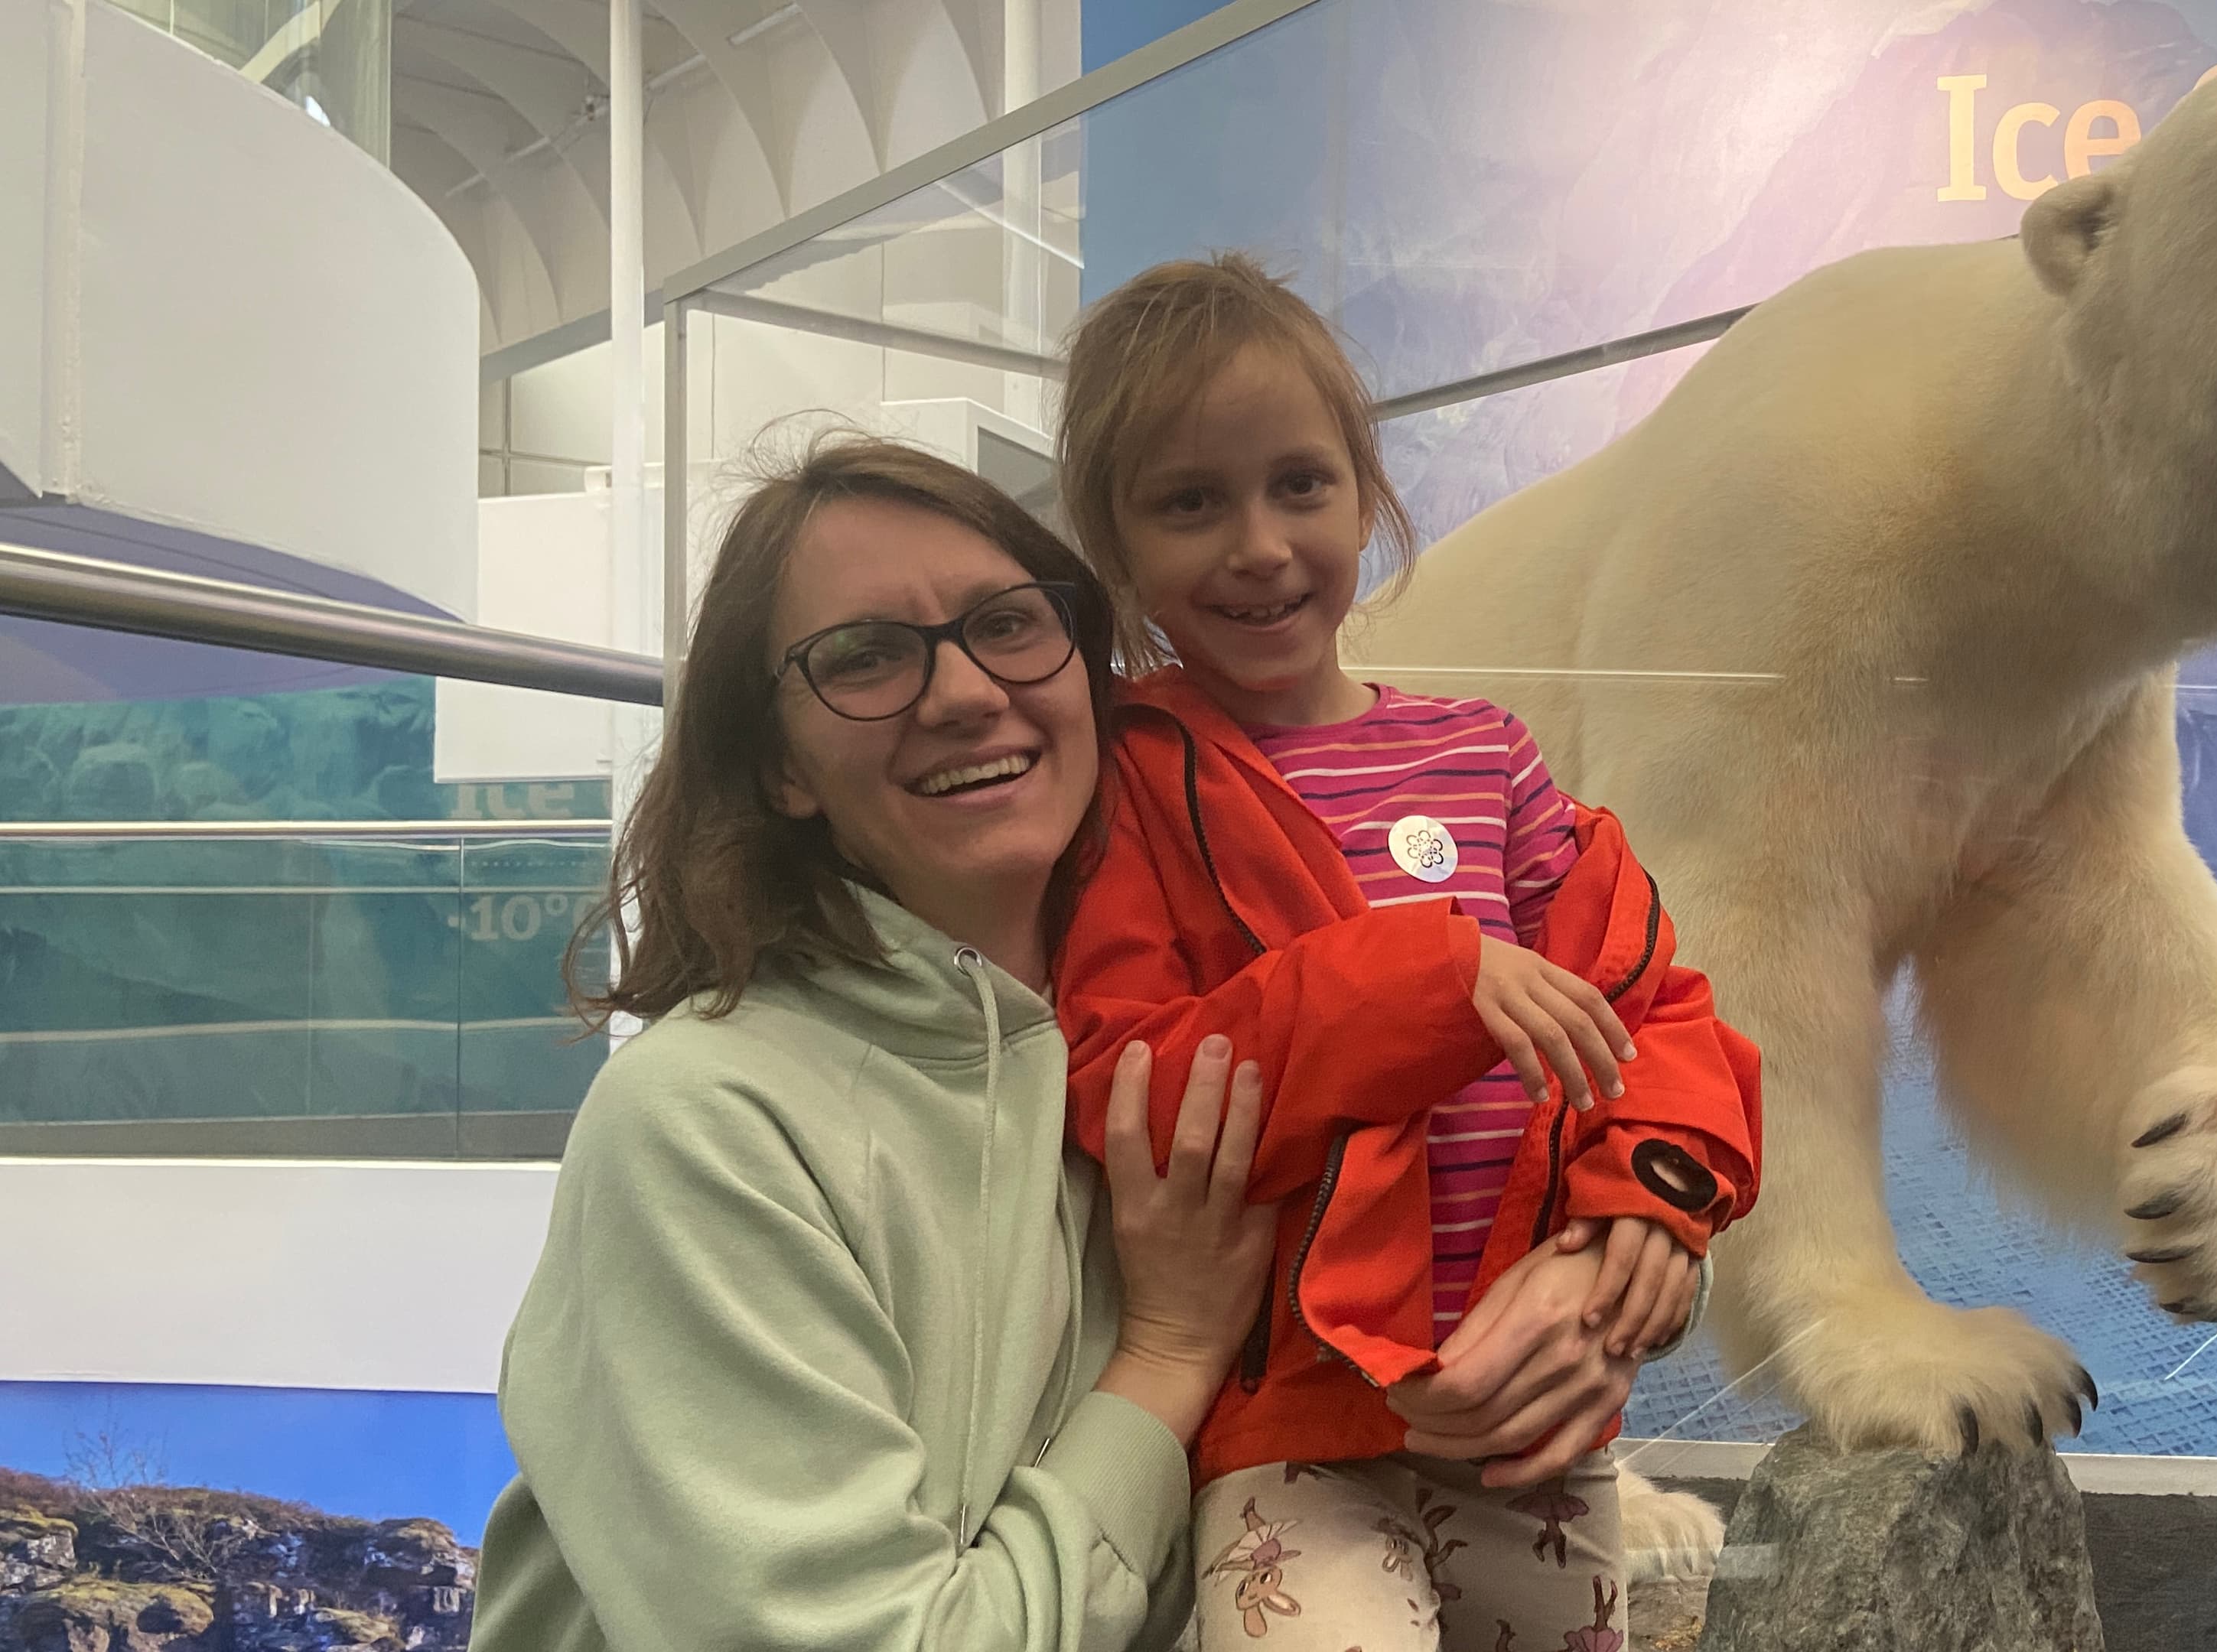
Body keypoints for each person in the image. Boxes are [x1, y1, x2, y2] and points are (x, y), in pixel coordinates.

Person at [1047, 252, 1765, 1648]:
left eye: (1299, 485)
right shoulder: (1131, 773)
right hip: (1293, 1427)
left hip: (1537, 1411)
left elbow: (1649, 996)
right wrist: (1424, 980)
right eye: (1191, 502)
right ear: (1116, 545)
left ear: (1366, 495)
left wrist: (1657, 1204)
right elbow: (1127, 1078)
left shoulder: (1482, 755)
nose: (1258, 544)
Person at [472, 434, 1275, 1652]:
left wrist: (1586, 1290)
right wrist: (1167, 1358)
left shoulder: (1177, 1051)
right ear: (779, 766)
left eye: (1008, 624)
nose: (963, 693)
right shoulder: (706, 1123)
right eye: (864, 658)